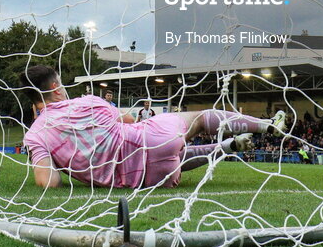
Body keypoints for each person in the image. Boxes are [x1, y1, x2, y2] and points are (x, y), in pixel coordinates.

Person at [23, 65, 288, 188]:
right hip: (153, 137)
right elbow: (127, 119)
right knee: (198, 118)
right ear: (56, 88)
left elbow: (49, 182)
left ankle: (226, 146)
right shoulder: (87, 102)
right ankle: (267, 125)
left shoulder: (36, 135)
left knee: (171, 158)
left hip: (146, 179)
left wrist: (64, 159)